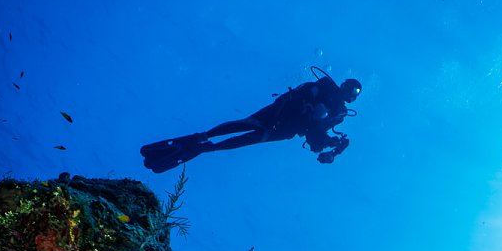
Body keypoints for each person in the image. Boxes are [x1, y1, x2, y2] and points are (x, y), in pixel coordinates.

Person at [140, 72, 362, 173]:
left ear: (352, 98)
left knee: (248, 136)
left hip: (287, 128)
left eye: (351, 93)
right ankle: (204, 138)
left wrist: (332, 146)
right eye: (347, 87)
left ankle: (207, 146)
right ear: (342, 85)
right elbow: (300, 92)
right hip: (280, 113)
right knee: (246, 124)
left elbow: (316, 138)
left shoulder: (339, 114)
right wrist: (310, 104)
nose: (346, 93)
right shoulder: (323, 85)